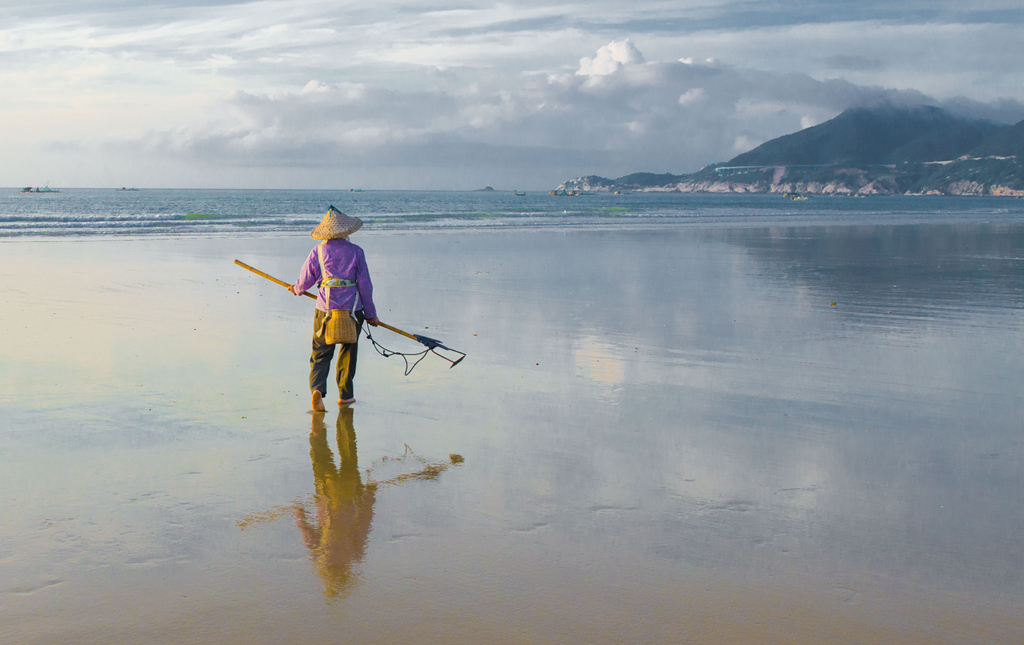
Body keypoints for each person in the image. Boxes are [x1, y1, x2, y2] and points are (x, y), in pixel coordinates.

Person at [291, 206, 379, 411]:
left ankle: (317, 390)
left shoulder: (318, 251)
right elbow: (365, 285)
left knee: (321, 351)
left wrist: (296, 289)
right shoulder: (356, 252)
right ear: (347, 231)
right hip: (353, 310)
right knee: (348, 350)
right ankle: (345, 395)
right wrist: (371, 314)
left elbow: (304, 282)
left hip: (325, 310)